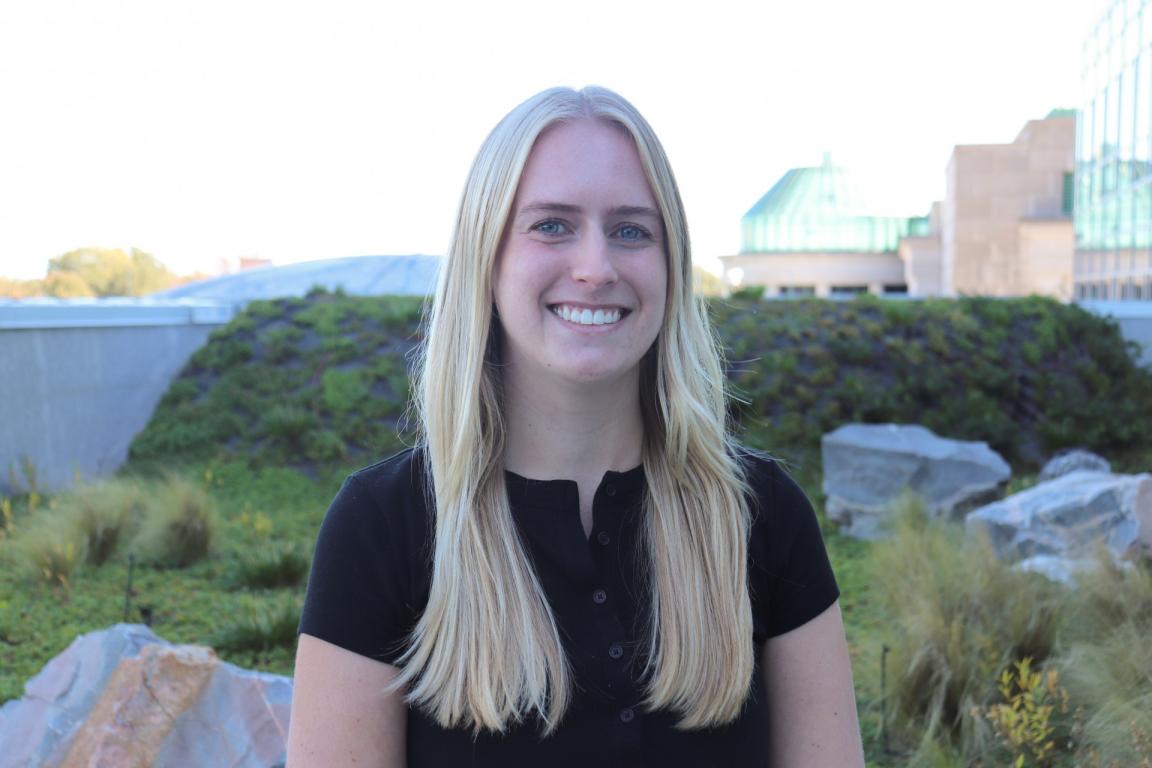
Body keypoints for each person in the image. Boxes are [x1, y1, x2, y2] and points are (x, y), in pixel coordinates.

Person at [287, 85, 864, 767]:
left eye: (630, 230)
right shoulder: (384, 526)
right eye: (552, 225)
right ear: (487, 257)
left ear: (671, 265)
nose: (596, 268)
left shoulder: (761, 516)